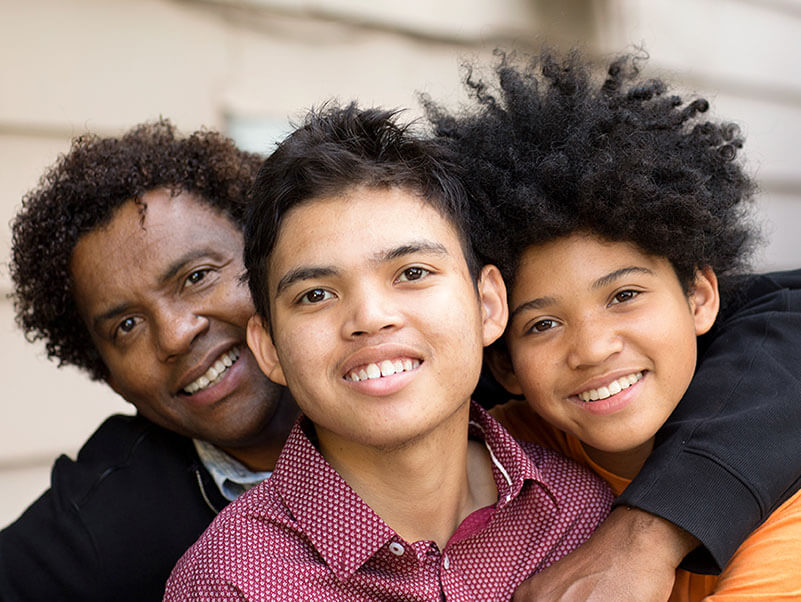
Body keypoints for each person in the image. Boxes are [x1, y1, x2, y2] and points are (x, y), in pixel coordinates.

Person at [164, 103, 614, 600]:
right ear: (269, 347)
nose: (371, 317)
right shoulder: (230, 583)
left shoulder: (580, 514)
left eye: (412, 273)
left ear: (487, 305)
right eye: (315, 294)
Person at [428, 50, 801, 599]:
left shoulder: (779, 470)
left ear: (699, 295)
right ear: (503, 361)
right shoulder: (490, 459)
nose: (593, 348)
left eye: (624, 295)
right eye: (543, 324)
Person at [1, 120, 298, 601]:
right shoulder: (100, 529)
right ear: (108, 375)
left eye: (197, 276)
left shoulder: (413, 396)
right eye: (127, 326)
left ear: (268, 257)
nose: (177, 335)